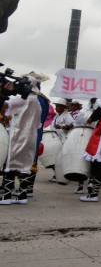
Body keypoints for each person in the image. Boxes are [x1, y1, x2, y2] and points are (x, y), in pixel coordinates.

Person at [0, 72, 47, 205]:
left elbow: (5, 110)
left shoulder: (21, 100)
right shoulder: (37, 102)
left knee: (11, 164)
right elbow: (38, 123)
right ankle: (22, 195)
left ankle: (7, 196)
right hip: (31, 136)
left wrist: (4, 94)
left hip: (17, 135)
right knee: (25, 165)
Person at [48, 99, 74, 183]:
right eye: (56, 106)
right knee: (54, 157)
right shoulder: (56, 116)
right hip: (55, 139)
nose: (56, 107)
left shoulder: (67, 116)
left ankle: (59, 174)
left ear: (63, 107)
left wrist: (62, 127)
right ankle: (57, 173)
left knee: (60, 158)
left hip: (63, 140)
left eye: (58, 106)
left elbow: (71, 125)